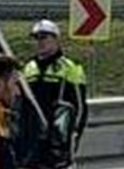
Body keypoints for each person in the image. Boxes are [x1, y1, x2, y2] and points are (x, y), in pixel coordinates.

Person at [24, 19, 88, 151]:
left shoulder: (70, 68)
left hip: (57, 138)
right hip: (30, 138)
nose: (39, 42)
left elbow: (80, 108)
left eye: (44, 37)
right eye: (36, 38)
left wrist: (74, 136)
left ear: (56, 39)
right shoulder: (28, 67)